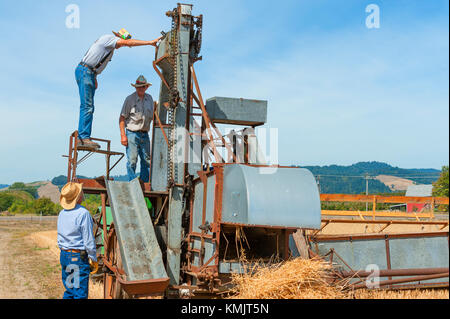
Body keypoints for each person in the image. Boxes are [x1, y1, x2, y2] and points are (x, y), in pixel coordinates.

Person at [76, 28, 161, 149]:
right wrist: (149, 42)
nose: (121, 46)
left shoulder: (108, 47)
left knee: (88, 106)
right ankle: (83, 138)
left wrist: (94, 76)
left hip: (88, 72)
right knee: (87, 106)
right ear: (120, 38)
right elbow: (127, 43)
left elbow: (93, 58)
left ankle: (84, 136)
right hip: (86, 71)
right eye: (122, 42)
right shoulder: (109, 39)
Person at [57, 182, 98, 299]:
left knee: (70, 291)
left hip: (64, 255)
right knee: (80, 294)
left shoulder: (62, 213)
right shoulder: (83, 213)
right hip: (77, 258)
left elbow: (59, 236)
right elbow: (88, 239)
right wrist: (93, 258)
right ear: (79, 196)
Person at [119, 75, 154, 183]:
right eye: (139, 87)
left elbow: (153, 116)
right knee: (132, 160)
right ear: (135, 87)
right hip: (132, 133)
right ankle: (133, 184)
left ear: (146, 87)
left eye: (143, 86)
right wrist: (123, 136)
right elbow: (122, 118)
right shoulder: (130, 99)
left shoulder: (150, 99)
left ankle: (144, 185)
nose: (141, 88)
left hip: (145, 134)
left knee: (147, 161)